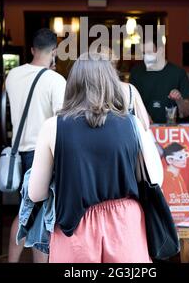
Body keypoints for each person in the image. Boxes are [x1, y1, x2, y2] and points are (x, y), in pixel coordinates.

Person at [28, 51, 163, 263]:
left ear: (73, 84)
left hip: (74, 225)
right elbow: (154, 179)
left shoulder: (52, 126)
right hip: (125, 223)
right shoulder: (132, 124)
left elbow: (36, 194)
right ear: (111, 83)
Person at [6, 28, 66, 263]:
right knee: (35, 215)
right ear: (55, 52)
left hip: (16, 152)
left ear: (32, 50)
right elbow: (62, 122)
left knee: (29, 212)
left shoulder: (12, 75)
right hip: (41, 155)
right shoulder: (55, 80)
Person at [130, 38, 189, 124]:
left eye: (150, 52)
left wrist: (179, 100)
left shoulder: (178, 73)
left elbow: (187, 112)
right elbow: (130, 105)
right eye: (143, 53)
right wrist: (142, 115)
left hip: (171, 130)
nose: (146, 56)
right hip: (144, 129)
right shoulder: (136, 72)